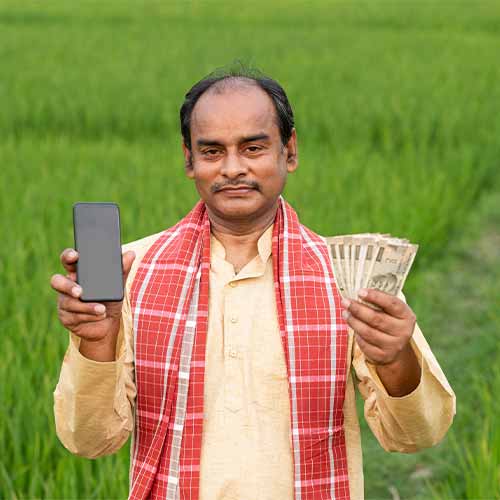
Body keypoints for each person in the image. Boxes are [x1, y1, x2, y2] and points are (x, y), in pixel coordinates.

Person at [51, 65, 455, 500]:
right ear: (189, 159)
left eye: (253, 147)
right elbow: (90, 441)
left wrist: (395, 358)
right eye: (211, 151)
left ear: (290, 151)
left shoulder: (347, 276)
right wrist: (97, 341)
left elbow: (416, 435)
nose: (232, 168)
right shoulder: (136, 270)